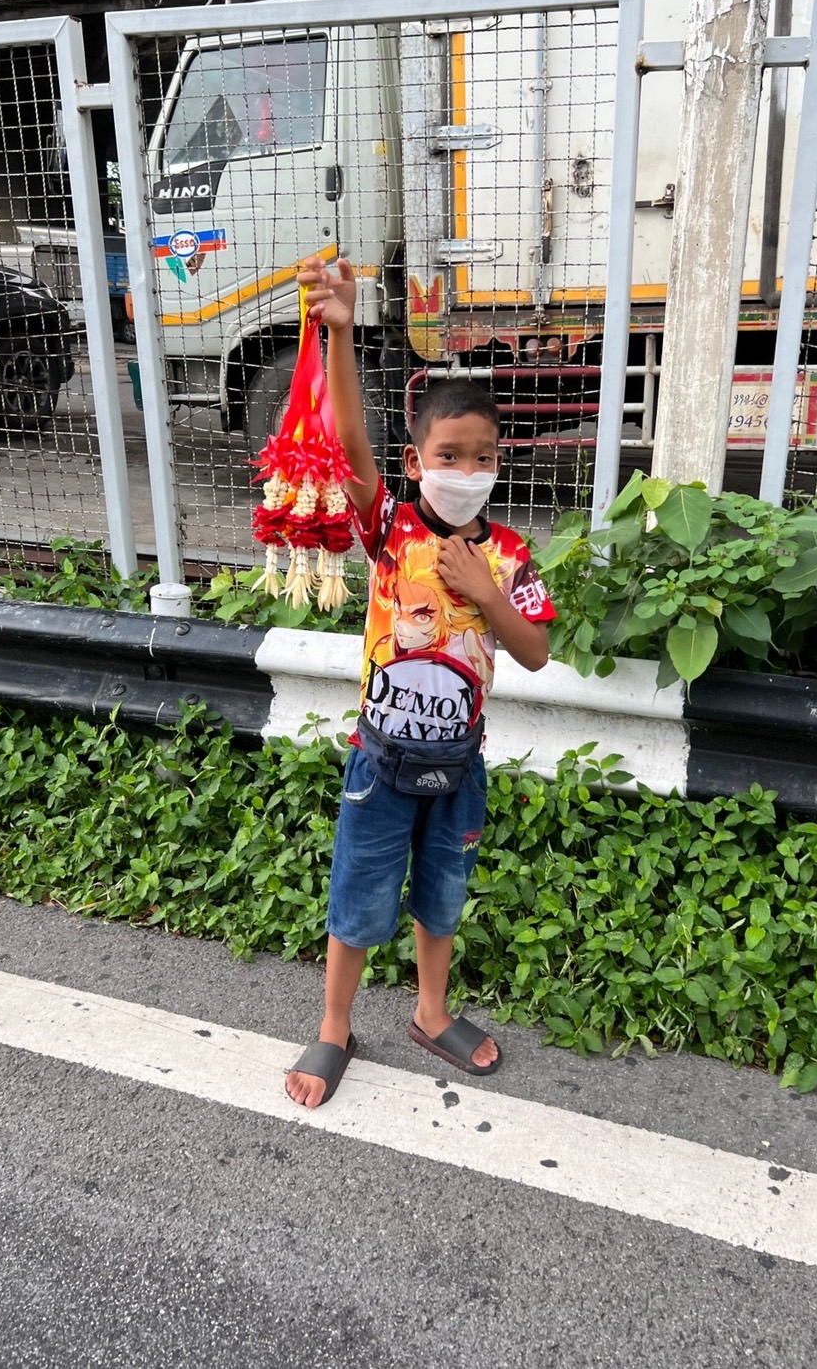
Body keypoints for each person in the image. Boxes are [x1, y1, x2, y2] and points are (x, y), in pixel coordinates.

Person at [286, 255, 556, 1109]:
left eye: (482, 457)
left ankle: (431, 1013)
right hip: (381, 760)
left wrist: (484, 593)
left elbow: (538, 652)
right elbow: (353, 440)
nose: (466, 469)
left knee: (442, 896)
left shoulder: (511, 554)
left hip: (459, 766)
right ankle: (335, 1026)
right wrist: (337, 329)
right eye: (449, 454)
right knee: (359, 896)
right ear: (417, 460)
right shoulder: (388, 526)